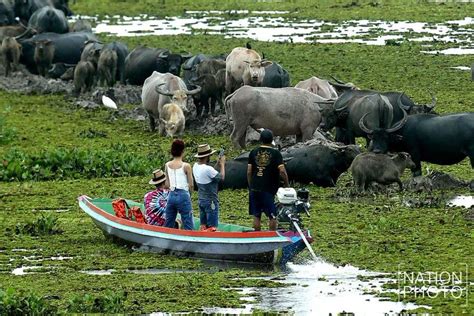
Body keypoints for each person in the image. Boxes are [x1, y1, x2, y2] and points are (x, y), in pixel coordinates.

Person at [247, 129, 289, 231]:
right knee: (272, 215)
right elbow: (282, 171)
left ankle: (257, 237)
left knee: (256, 215)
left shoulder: (253, 152)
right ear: (272, 140)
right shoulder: (275, 153)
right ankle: (271, 237)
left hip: (254, 188)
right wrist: (287, 184)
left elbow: (249, 171)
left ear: (260, 139)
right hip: (267, 189)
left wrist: (250, 185)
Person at [192, 144, 226, 232]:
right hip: (211, 201)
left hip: (201, 199)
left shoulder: (195, 166)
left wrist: (216, 164)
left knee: (203, 225)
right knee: (212, 228)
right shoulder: (208, 169)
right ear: (207, 156)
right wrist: (222, 164)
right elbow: (221, 177)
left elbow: (208, 175)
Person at [164, 139, 194, 230]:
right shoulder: (186, 166)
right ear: (183, 151)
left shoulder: (167, 165)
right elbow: (191, 185)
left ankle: (167, 241)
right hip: (183, 194)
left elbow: (167, 184)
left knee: (169, 222)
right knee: (188, 222)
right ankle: (189, 241)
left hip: (172, 195)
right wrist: (189, 195)